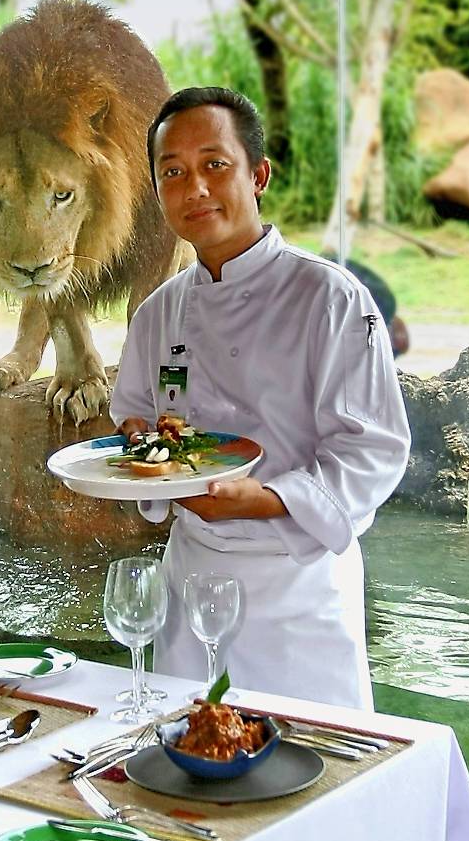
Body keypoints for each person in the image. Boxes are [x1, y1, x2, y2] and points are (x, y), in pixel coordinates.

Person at [110, 87, 411, 710]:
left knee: (318, 770)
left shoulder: (330, 299)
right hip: (189, 577)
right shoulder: (158, 312)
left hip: (297, 590)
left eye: (214, 165)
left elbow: (373, 450)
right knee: (187, 761)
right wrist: (142, 444)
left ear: (259, 174)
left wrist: (267, 498)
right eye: (173, 172)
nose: (195, 188)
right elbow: (134, 413)